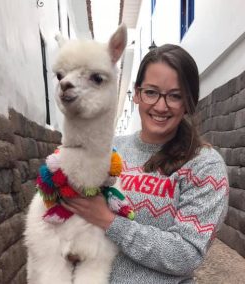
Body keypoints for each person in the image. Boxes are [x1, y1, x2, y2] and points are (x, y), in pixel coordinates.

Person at [62, 44, 229, 283]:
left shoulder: (204, 165)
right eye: (151, 92)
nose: (161, 106)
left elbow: (186, 253)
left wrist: (109, 221)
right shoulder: (109, 149)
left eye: (175, 96)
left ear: (188, 103)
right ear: (137, 93)